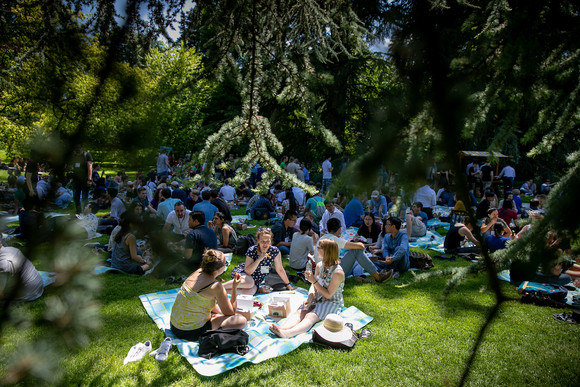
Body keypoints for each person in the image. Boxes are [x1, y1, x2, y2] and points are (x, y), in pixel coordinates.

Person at [270, 239, 344, 339]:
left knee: (311, 316)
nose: (316, 249)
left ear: (327, 251)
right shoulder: (320, 265)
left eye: (319, 247)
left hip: (331, 301)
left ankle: (289, 333)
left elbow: (328, 294)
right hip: (317, 298)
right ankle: (282, 329)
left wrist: (313, 281)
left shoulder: (338, 272)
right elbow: (313, 287)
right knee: (301, 311)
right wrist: (310, 298)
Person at [169, 249, 247, 341]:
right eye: (226, 264)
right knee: (241, 320)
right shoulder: (216, 286)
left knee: (218, 308)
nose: (227, 266)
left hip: (174, 326)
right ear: (219, 269)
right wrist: (234, 287)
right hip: (190, 332)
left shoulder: (198, 272)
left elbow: (202, 299)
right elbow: (231, 313)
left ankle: (213, 318)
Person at [316, 218, 392, 283]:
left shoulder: (322, 238)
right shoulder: (335, 239)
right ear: (339, 229)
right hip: (331, 275)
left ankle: (358, 276)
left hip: (323, 274)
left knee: (357, 260)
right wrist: (359, 242)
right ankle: (377, 276)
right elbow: (360, 246)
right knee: (357, 252)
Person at [225, 228, 294, 295]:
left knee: (251, 292)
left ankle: (223, 291)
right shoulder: (252, 250)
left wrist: (287, 284)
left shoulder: (274, 251)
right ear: (258, 240)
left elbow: (280, 269)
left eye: (267, 241)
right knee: (249, 283)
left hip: (256, 279)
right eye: (262, 241)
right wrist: (259, 259)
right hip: (244, 274)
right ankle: (220, 287)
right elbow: (248, 271)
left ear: (271, 241)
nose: (265, 244)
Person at [69, 144, 93, 214]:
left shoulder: (87, 155)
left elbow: (90, 168)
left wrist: (89, 179)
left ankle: (86, 213)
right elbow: (70, 167)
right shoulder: (73, 156)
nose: (77, 152)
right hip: (76, 180)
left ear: (81, 148)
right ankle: (79, 213)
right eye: (76, 150)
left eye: (78, 150)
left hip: (85, 180)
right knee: (76, 198)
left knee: (85, 198)